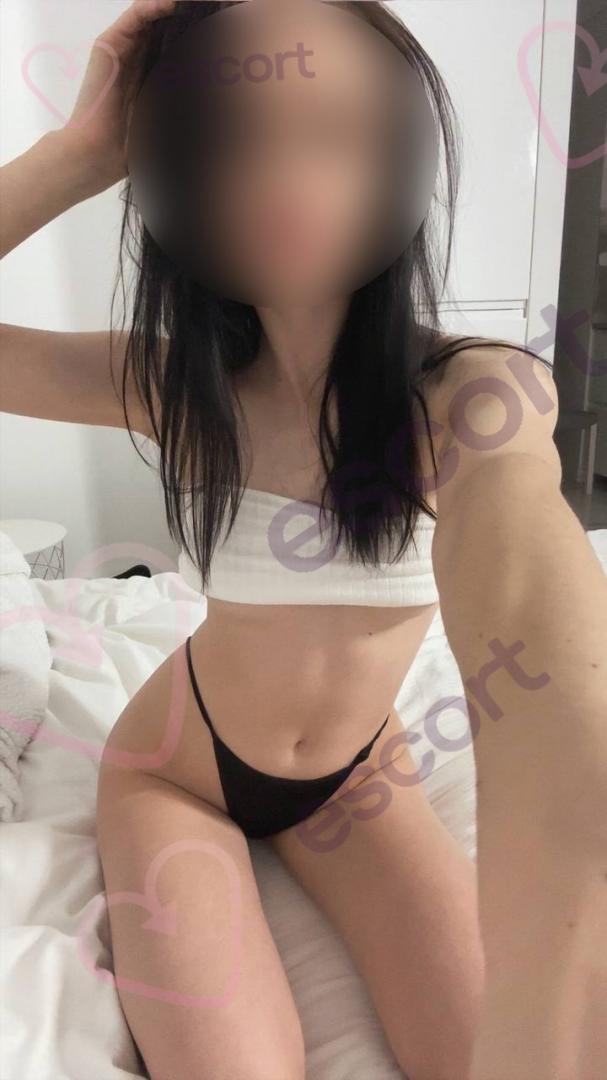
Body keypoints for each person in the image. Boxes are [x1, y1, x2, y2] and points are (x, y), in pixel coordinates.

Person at [2, 2, 605, 1078]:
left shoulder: (473, 391)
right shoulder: (172, 382)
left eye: (334, 133)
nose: (285, 179)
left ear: (401, 159)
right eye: (234, 139)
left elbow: (529, 587)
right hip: (176, 772)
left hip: (356, 778)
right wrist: (79, 152)